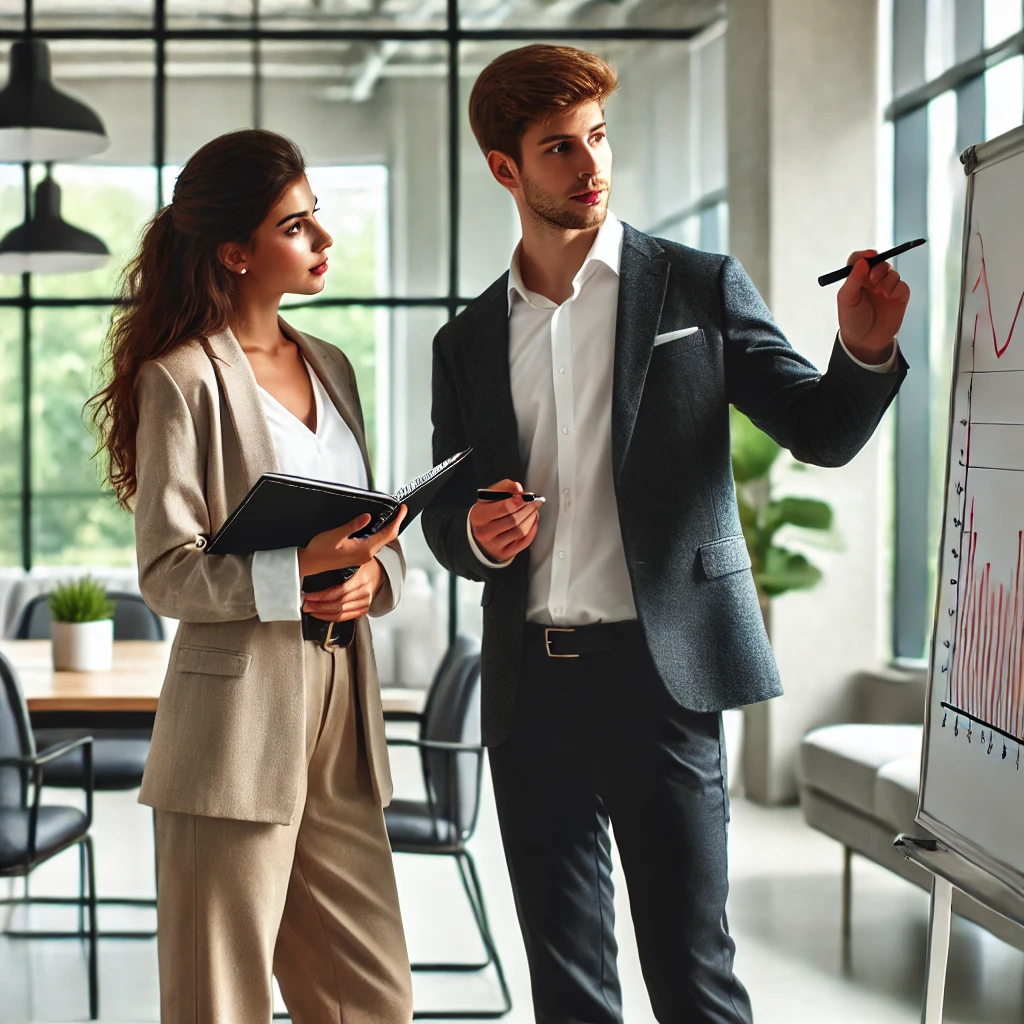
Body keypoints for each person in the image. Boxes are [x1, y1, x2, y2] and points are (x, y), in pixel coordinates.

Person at [421, 44, 910, 1024]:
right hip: (530, 688)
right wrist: (475, 532)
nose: (590, 164)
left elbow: (817, 432)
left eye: (597, 137)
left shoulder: (695, 285)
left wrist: (860, 350)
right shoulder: (466, 340)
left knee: (692, 976)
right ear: (504, 169)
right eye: (559, 147)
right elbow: (445, 511)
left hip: (663, 675)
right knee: (568, 989)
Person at [90, 128, 413, 1024]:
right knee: (218, 1001)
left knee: (370, 995)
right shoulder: (181, 379)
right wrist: (296, 569)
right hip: (234, 717)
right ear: (237, 252)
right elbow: (166, 574)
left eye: (316, 220)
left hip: (343, 695)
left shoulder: (335, 366)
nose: (323, 240)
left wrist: (368, 578)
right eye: (297, 226)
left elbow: (367, 535)